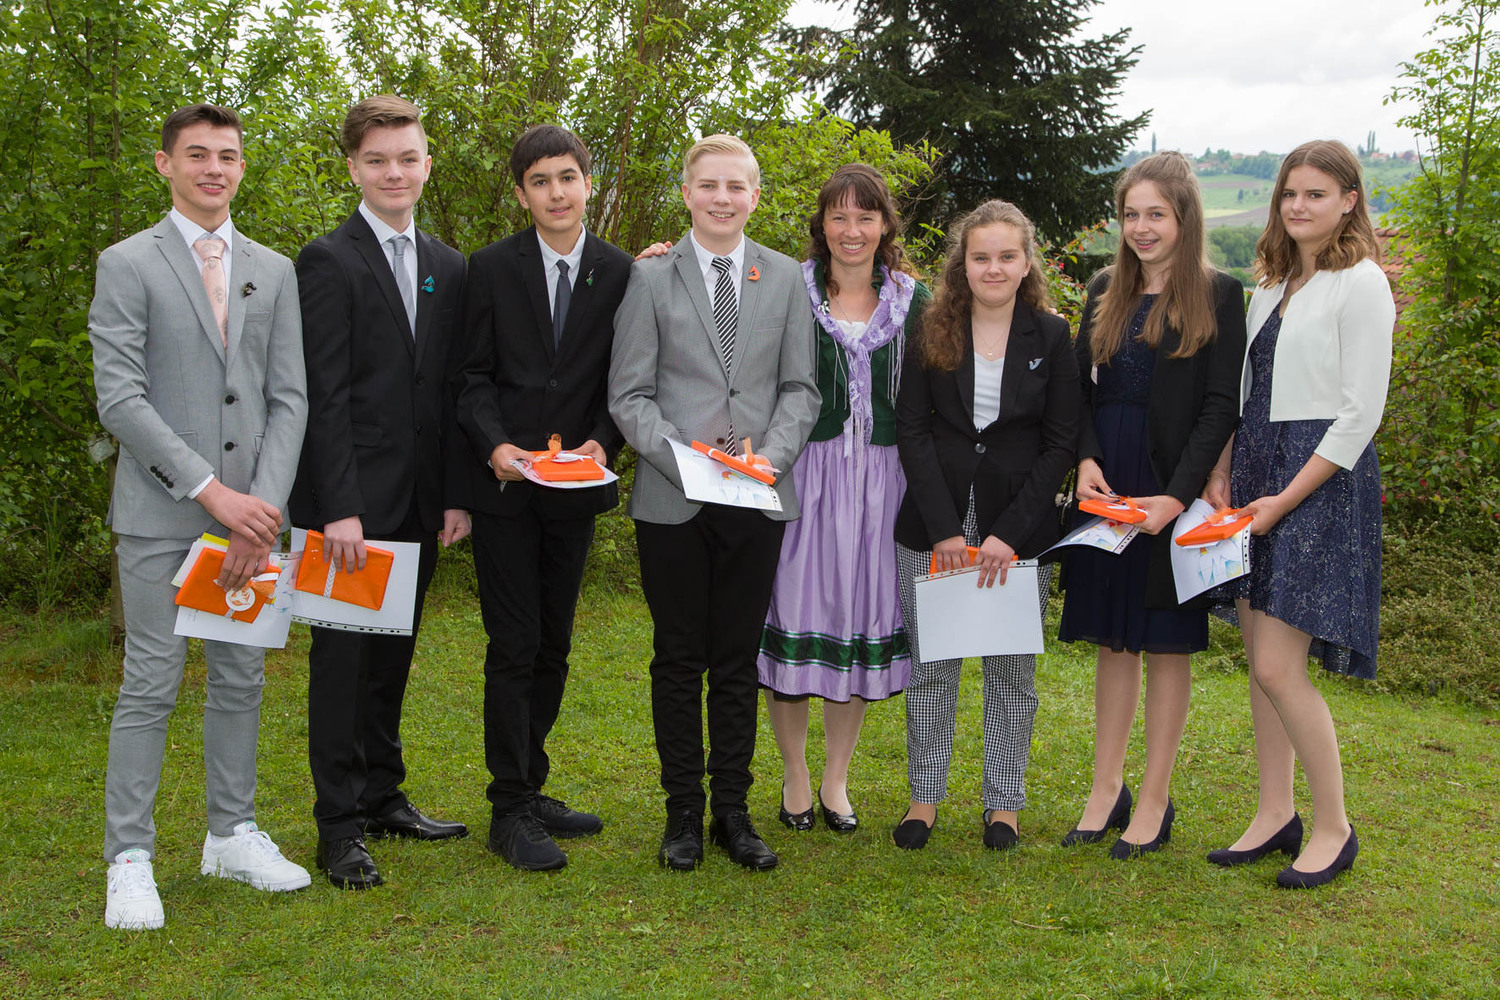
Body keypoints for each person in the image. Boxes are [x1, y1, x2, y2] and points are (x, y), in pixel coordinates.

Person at [90, 102, 311, 929]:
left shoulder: (274, 269)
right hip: (162, 512)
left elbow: (289, 398)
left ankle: (231, 834)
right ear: (165, 164)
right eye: (196, 155)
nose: (213, 168)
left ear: (242, 167)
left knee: (241, 677)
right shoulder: (126, 263)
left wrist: (262, 509)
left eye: (226, 155)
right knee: (151, 681)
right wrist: (210, 493)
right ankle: (129, 856)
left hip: (251, 518)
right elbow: (120, 399)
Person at [608, 134, 819, 871]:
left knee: (735, 660)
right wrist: (688, 463)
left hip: (756, 497)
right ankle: (682, 815)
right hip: (674, 499)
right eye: (709, 186)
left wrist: (771, 459)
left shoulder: (785, 276)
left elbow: (801, 389)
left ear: (755, 196)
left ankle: (733, 810)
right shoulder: (650, 278)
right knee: (677, 658)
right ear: (687, 193)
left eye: (736, 186)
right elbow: (629, 395)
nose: (722, 198)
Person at [290, 95, 471, 890]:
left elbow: (450, 392)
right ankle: (338, 827)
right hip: (350, 510)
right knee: (343, 665)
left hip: (419, 504)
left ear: (427, 163)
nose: (394, 172)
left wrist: (455, 495)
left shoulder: (448, 265)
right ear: (354, 168)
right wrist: (338, 507)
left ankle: (382, 797)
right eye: (377, 160)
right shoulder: (327, 262)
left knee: (392, 658)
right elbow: (322, 394)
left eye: (407, 158)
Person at [1204, 140, 1393, 888]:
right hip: (1257, 468)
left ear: (1349, 200)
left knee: (1279, 666)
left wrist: (1284, 499)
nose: (1298, 206)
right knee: (1260, 658)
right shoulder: (1272, 285)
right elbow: (1249, 393)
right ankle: (1274, 812)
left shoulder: (1363, 282)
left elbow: (1360, 414)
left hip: (1318, 480)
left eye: (1316, 194)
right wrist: (1224, 469)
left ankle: (1335, 828)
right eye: (1289, 193)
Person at [453, 125, 634, 871]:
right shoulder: (490, 268)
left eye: (567, 177)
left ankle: (530, 784)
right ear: (522, 193)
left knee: (554, 644)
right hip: (506, 490)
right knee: (515, 644)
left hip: (574, 491)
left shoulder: (622, 272)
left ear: (588, 183)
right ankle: (509, 809)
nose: (556, 193)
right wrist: (495, 445)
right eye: (539, 181)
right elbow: (470, 377)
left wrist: (603, 442)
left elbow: (626, 378)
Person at [1056, 152, 1246, 859]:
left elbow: (1221, 405)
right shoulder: (1104, 288)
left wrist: (1178, 495)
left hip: (1171, 487)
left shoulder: (1220, 293)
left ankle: (1156, 799)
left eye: (1155, 215)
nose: (1141, 228)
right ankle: (1106, 788)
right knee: (1114, 640)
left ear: (1184, 217)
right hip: (1108, 486)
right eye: (1131, 214)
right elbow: (1077, 391)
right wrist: (1085, 459)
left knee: (1165, 643)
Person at [891, 200, 1079, 851]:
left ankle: (1004, 804)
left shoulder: (1051, 337)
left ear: (1026, 263)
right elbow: (912, 430)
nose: (993, 268)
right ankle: (924, 799)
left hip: (1018, 525)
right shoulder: (931, 328)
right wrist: (945, 528)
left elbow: (1060, 442)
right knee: (932, 665)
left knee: (1011, 671)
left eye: (1006, 256)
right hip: (933, 521)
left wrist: (1009, 535)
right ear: (962, 264)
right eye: (980, 257)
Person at [756, 164, 929, 834]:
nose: (851, 230)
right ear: (821, 224)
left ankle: (836, 778)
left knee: (858, 621)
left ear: (885, 225)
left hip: (884, 482)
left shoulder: (915, 300)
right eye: (839, 216)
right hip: (806, 474)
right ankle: (795, 775)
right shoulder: (788, 288)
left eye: (865, 216)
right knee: (797, 614)